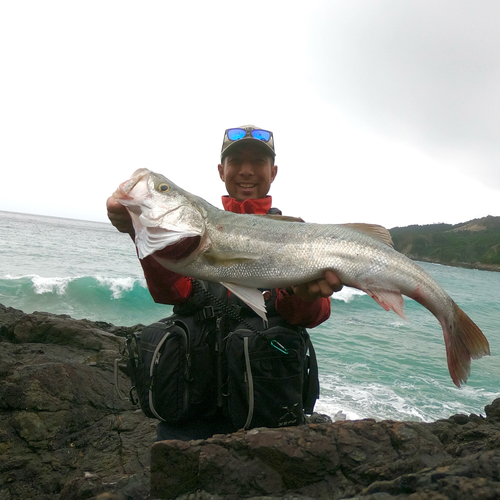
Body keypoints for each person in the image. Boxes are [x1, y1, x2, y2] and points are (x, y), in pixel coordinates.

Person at [107, 124, 343, 440]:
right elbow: (171, 292)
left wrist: (302, 293)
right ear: (221, 170)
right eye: (236, 162)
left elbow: (310, 315)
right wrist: (141, 232)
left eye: (258, 162)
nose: (246, 171)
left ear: (273, 172)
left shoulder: (298, 234)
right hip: (192, 415)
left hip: (267, 418)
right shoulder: (192, 227)